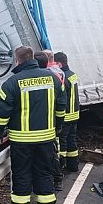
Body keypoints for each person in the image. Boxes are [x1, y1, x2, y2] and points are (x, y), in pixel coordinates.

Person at [0, 46, 65, 204]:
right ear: (32, 57)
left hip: (21, 140)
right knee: (44, 172)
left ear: (18, 60)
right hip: (46, 138)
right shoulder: (53, 79)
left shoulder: (11, 83)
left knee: (21, 174)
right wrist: (58, 127)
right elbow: (61, 106)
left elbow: (2, 113)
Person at [35, 51, 64, 191]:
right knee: (51, 153)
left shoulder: (51, 76)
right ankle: (57, 178)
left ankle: (57, 178)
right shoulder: (57, 74)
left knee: (51, 154)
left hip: (46, 121)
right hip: (50, 121)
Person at [55, 52, 80, 173]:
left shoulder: (63, 77)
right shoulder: (72, 75)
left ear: (59, 64)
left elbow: (61, 98)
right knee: (72, 140)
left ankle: (61, 166)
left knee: (62, 142)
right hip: (74, 114)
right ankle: (73, 165)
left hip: (66, 116)